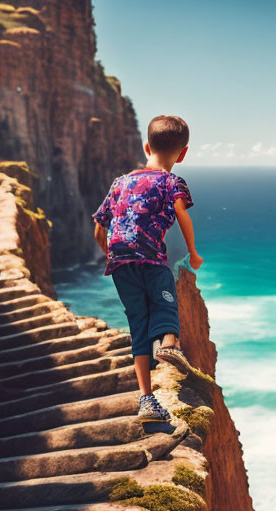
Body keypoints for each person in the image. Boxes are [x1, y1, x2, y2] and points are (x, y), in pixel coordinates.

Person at [93, 115, 204, 422]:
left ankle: (146, 399)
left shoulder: (120, 183)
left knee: (138, 324)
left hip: (120, 262)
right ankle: (169, 344)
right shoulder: (172, 182)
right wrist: (193, 253)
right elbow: (182, 215)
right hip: (150, 257)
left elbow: (99, 228)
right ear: (182, 154)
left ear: (146, 146)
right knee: (164, 296)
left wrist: (113, 254)